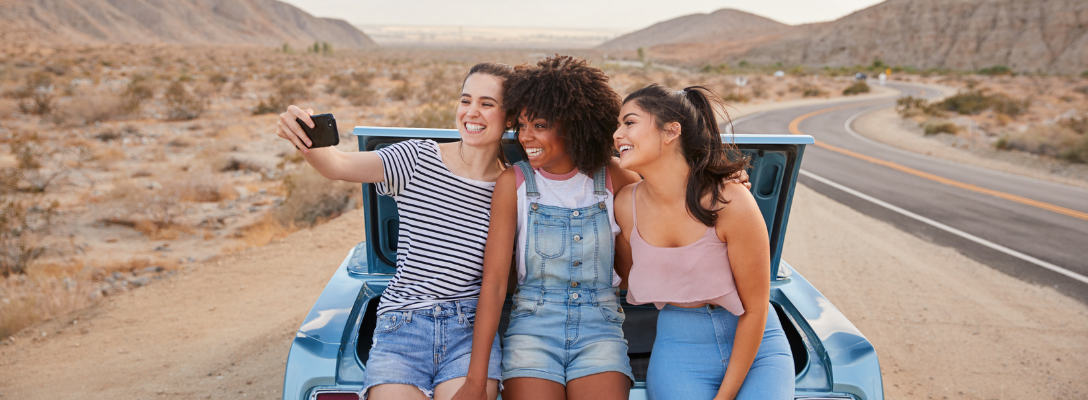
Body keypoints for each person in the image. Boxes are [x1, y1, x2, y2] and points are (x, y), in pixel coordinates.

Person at [274, 62, 514, 400]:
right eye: (465, 100)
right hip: (403, 327)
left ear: (511, 116)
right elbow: (338, 165)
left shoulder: (512, 186)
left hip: (470, 330)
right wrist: (305, 136)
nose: (472, 112)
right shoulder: (416, 157)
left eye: (487, 104)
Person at [453, 55, 642, 400]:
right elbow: (494, 284)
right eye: (521, 126)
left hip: (600, 327)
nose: (526, 137)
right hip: (532, 329)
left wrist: (728, 178)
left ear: (572, 125)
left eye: (539, 125)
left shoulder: (615, 178)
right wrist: (475, 380)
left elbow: (671, 201)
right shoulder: (514, 183)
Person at [612, 84, 794, 400]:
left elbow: (755, 310)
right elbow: (625, 278)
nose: (617, 134)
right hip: (679, 347)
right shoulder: (625, 205)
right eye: (618, 125)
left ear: (671, 132)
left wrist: (724, 397)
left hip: (757, 346)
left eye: (629, 122)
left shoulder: (731, 201)